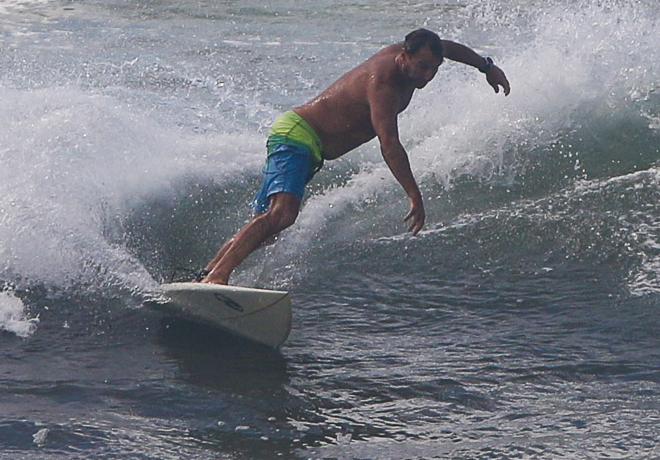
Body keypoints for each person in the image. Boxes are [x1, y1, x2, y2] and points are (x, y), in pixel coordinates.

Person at [201, 28, 511, 285]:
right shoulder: (385, 84)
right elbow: (389, 144)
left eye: (433, 69)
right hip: (297, 135)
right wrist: (414, 196)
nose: (427, 76)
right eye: (421, 67)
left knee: (268, 226)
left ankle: (208, 273)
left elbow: (449, 48)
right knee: (283, 214)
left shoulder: (422, 52)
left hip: (308, 146)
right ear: (404, 56)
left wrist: (486, 66)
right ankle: (219, 277)